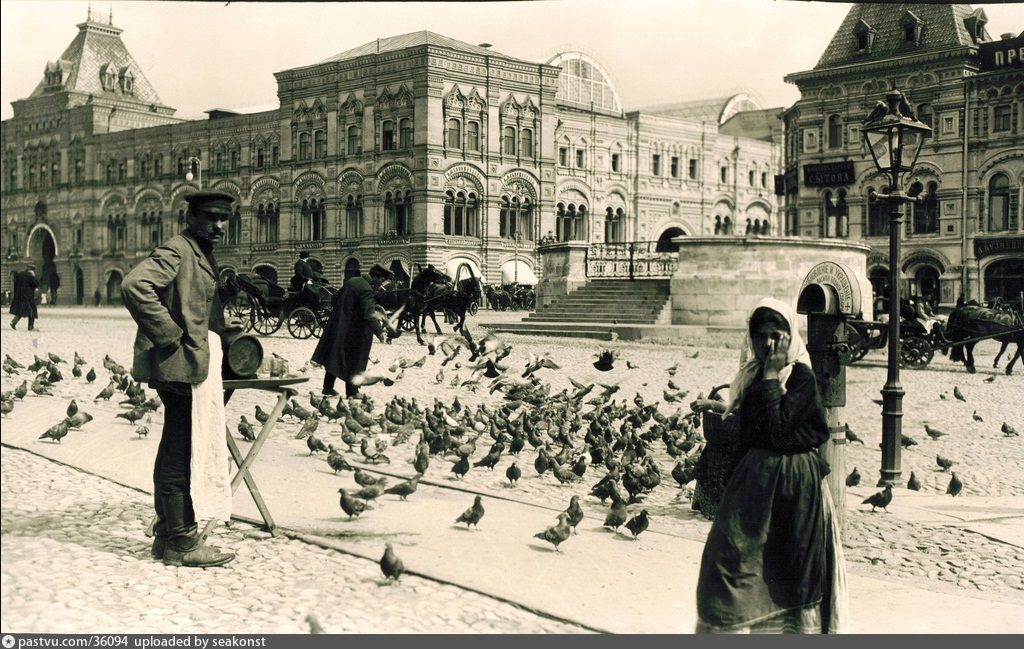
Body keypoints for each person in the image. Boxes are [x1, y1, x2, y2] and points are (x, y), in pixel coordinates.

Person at [696, 298, 847, 634]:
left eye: (776, 335)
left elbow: (777, 431)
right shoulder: (750, 376)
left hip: (794, 489)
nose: (767, 344)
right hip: (754, 485)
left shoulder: (800, 378)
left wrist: (770, 375)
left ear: (790, 335)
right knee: (727, 567)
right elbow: (750, 432)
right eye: (760, 336)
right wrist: (731, 481)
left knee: (789, 575)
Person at [121, 190, 236, 569]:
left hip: (189, 366)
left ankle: (168, 535)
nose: (219, 226)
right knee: (179, 453)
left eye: (224, 218)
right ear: (191, 216)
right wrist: (171, 335)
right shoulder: (177, 249)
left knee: (177, 447)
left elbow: (194, 303)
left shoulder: (199, 251)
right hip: (179, 365)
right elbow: (135, 286)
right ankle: (182, 542)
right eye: (210, 218)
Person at [312, 261, 397, 397]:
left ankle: (327, 388)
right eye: (381, 281)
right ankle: (352, 392)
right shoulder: (367, 289)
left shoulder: (352, 280)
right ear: (378, 277)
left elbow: (334, 299)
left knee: (335, 354)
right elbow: (369, 314)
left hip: (338, 325)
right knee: (356, 358)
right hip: (354, 330)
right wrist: (380, 332)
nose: (379, 285)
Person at [9, 264, 39, 330]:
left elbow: (15, 285)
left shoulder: (20, 274)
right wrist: (34, 276)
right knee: (32, 310)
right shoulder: (30, 276)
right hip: (28, 296)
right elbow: (36, 284)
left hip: (20, 296)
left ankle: (13, 322)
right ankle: (30, 327)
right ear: (32, 270)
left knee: (21, 310)